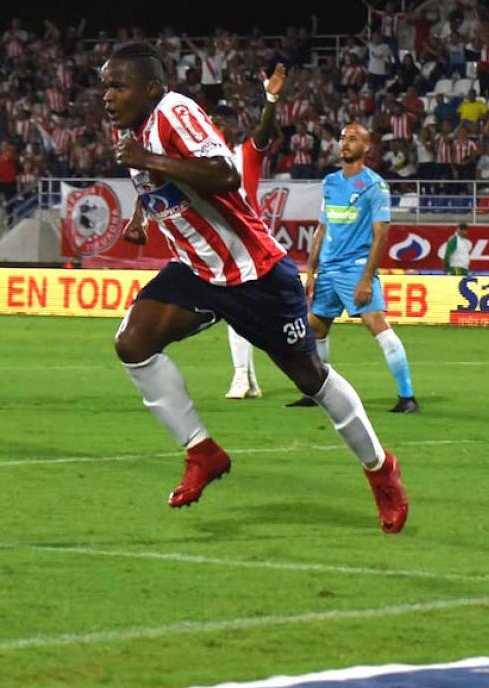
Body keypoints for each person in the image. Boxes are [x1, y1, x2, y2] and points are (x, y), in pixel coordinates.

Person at [102, 44, 407, 532]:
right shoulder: (131, 133)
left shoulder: (173, 113)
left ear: (152, 88)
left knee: (311, 377)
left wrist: (149, 158)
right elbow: (158, 185)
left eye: (118, 86)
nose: (108, 96)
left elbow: (223, 174)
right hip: (198, 271)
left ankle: (380, 470)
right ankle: (202, 451)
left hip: (254, 272)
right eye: (106, 86)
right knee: (132, 343)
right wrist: (141, 211)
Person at [285, 123, 419, 414]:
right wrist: (311, 271)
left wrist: (366, 279)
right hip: (328, 271)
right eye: (343, 138)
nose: (345, 143)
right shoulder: (331, 182)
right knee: (316, 329)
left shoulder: (375, 186)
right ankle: (317, 391)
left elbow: (381, 234)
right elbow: (322, 227)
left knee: (377, 325)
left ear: (367, 147)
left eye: (353, 139)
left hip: (355, 269)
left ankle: (407, 397)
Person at [205, 63, 285, 401]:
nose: (211, 128)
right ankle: (247, 379)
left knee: (243, 310)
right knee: (239, 309)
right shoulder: (203, 161)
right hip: (224, 241)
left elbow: (264, 133)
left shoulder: (244, 154)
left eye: (217, 124)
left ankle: (243, 377)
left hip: (249, 241)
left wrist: (270, 99)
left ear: (232, 129)